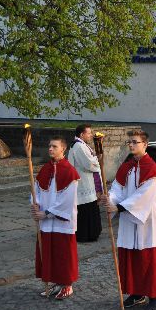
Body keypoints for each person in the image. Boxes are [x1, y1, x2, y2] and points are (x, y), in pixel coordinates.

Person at [105, 130, 156, 310]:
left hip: (146, 221)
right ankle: (136, 292)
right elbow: (117, 188)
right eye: (129, 142)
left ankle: (155, 296)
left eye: (135, 142)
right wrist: (110, 200)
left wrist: (120, 207)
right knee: (130, 257)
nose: (131, 145)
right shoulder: (127, 167)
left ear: (145, 144)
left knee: (148, 259)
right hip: (128, 220)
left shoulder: (152, 169)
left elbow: (144, 195)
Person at [31, 136, 80, 300]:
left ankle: (67, 285)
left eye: (54, 146)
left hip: (61, 221)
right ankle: (55, 281)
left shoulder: (70, 172)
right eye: (49, 146)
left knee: (63, 254)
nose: (50, 149)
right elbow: (36, 190)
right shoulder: (45, 169)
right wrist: (35, 204)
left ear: (63, 149)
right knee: (49, 252)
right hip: (46, 222)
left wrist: (46, 213)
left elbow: (67, 199)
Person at [67, 124, 103, 242]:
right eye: (88, 133)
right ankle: (86, 235)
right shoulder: (79, 146)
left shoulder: (80, 145)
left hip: (85, 182)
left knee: (87, 209)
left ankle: (89, 233)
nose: (90, 135)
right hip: (84, 183)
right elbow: (89, 164)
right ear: (82, 134)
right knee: (86, 210)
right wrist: (99, 160)